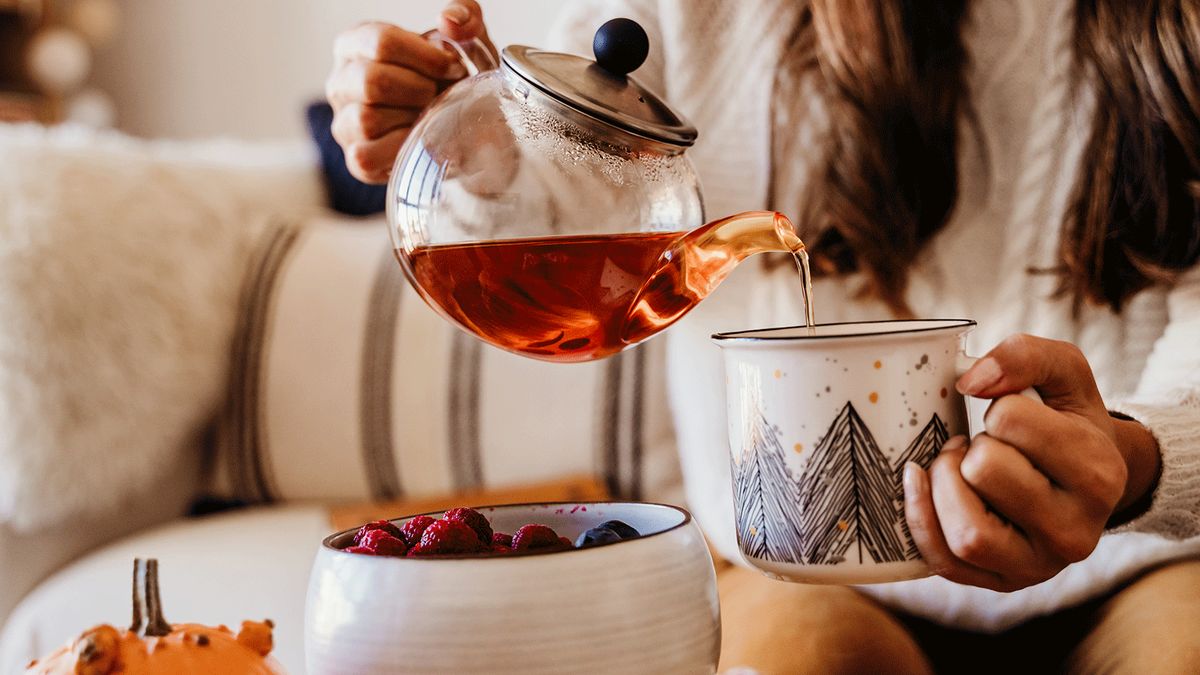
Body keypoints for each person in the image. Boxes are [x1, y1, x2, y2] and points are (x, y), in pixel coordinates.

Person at [326, 1, 1200, 672]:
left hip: (1146, 554)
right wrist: (467, 150)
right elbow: (568, 187)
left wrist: (1137, 457)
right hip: (795, 570)